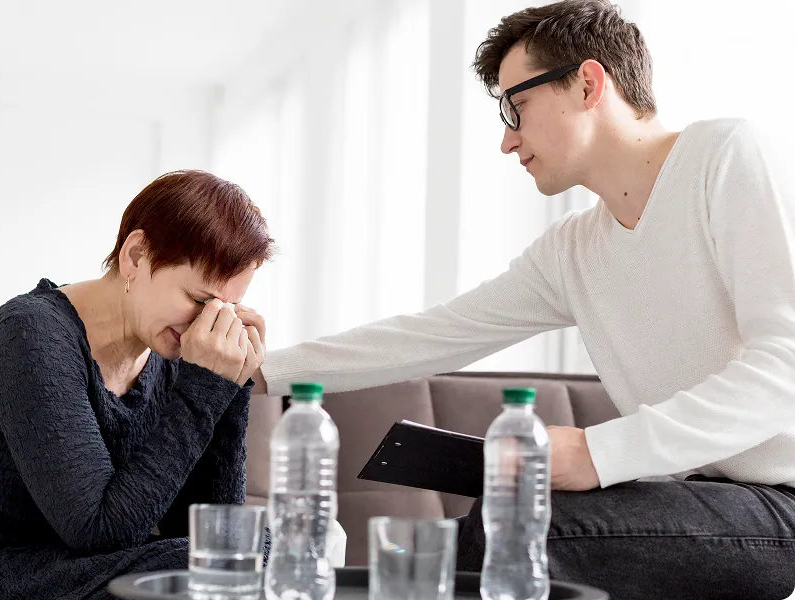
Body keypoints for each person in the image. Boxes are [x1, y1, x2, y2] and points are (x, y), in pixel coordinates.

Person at [244, 1, 795, 598]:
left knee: (514, 534)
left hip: (781, 503)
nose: (507, 142)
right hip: (695, 497)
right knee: (492, 527)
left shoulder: (724, 156)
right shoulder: (573, 251)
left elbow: (787, 365)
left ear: (587, 84)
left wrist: (593, 452)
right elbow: (436, 333)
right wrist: (260, 371)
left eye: (516, 107)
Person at [0, 170, 273, 600]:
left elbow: (208, 530)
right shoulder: (30, 335)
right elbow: (98, 530)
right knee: (232, 562)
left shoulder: (171, 348)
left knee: (254, 549)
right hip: (11, 568)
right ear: (136, 256)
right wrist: (206, 388)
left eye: (227, 310)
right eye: (200, 301)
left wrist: (232, 387)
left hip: (104, 563)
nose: (210, 324)